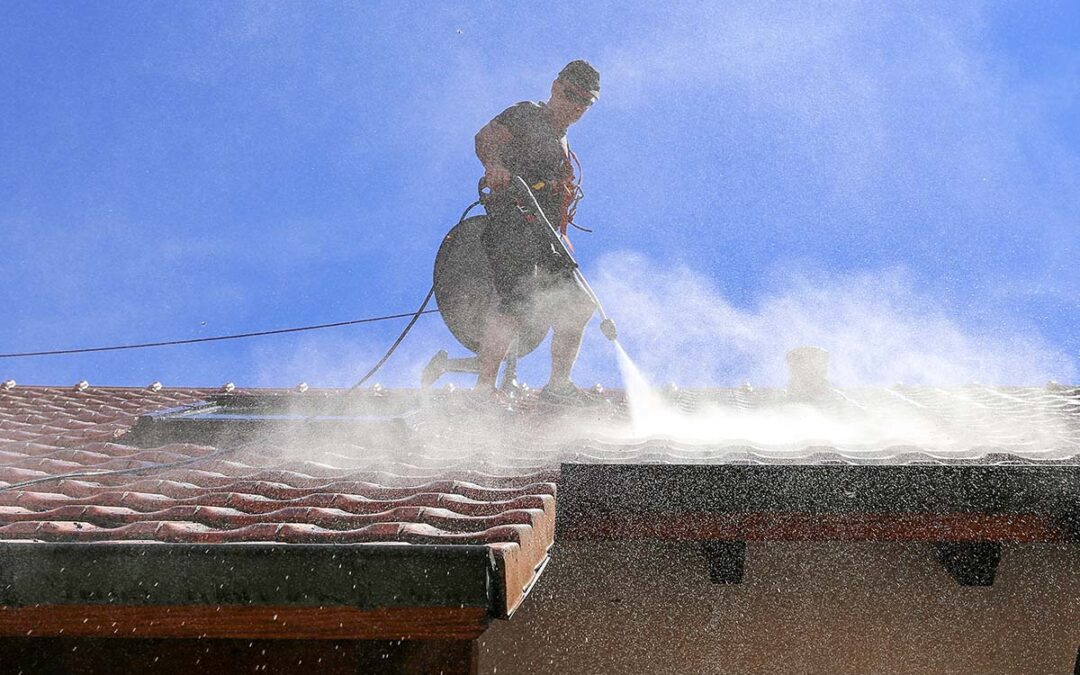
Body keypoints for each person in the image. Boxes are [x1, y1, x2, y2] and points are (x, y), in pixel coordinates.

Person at [473, 60, 601, 404]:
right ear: (556, 86)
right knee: (517, 300)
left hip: (546, 236)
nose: (575, 106)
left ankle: (558, 386)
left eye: (585, 102)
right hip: (512, 223)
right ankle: (483, 391)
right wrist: (495, 166)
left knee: (579, 304)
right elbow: (487, 138)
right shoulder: (528, 114)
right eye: (571, 95)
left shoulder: (563, 143)